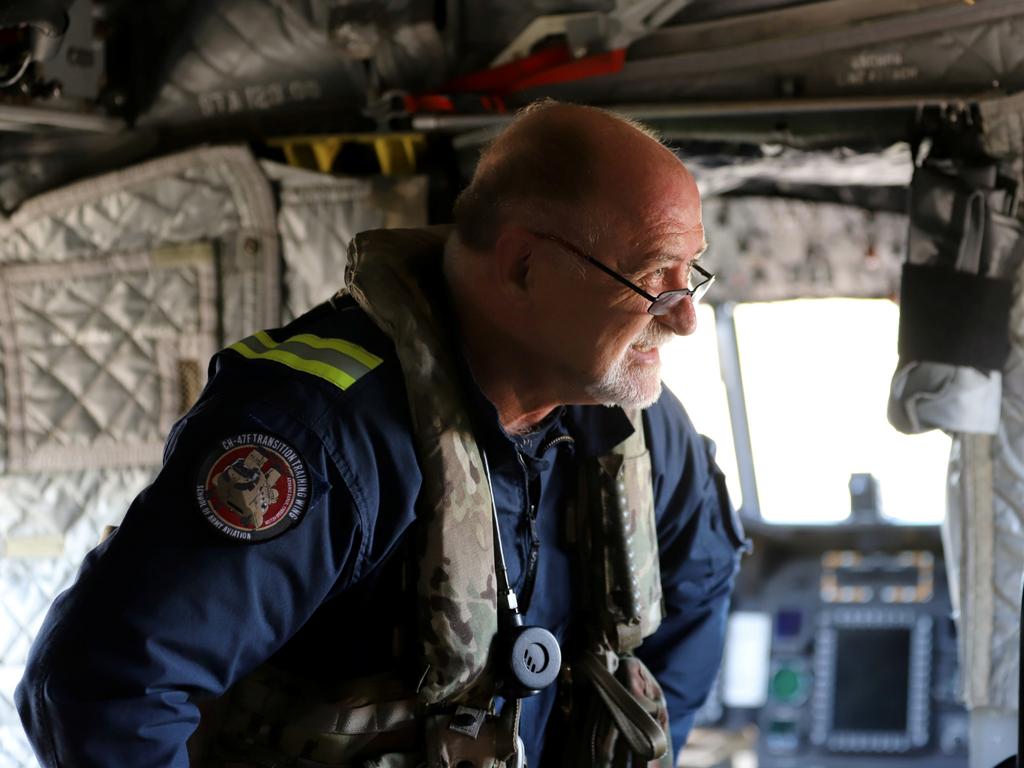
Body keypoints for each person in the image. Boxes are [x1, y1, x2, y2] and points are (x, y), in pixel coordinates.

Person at [17, 100, 744, 768]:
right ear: (524, 265)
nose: (684, 317)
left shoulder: (634, 429)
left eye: (693, 276)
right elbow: (105, 690)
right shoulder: (319, 436)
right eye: (656, 277)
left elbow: (701, 581)